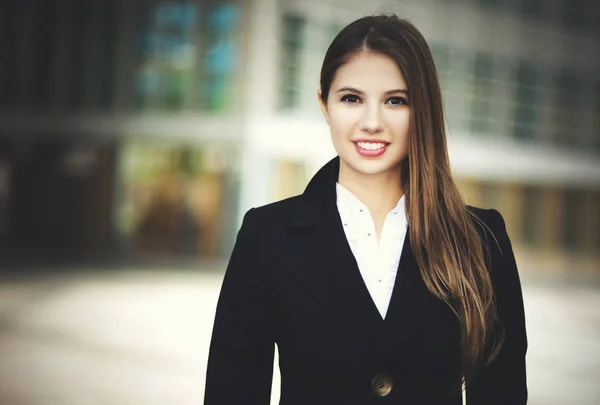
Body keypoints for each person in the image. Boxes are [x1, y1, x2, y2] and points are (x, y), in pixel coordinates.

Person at [204, 14, 527, 405]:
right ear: (324, 103)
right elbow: (232, 392)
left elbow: (501, 393)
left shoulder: (481, 238)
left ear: (422, 108)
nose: (372, 122)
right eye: (351, 98)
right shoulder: (266, 235)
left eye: (395, 100)